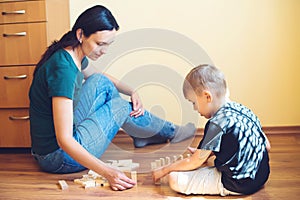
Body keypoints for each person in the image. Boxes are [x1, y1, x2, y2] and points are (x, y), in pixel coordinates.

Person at [29, 5, 196, 191]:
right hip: (57, 157)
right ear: (80, 34)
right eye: (100, 44)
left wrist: (132, 91)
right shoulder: (64, 70)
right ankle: (169, 132)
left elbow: (99, 76)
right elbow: (64, 139)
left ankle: (142, 134)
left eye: (108, 44)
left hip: (58, 145)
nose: (104, 51)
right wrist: (108, 172)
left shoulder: (73, 53)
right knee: (119, 107)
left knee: (101, 81)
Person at [152, 64, 271, 196]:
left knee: (174, 179)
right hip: (262, 176)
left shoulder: (217, 124)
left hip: (238, 184)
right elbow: (266, 145)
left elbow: (195, 161)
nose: (195, 109)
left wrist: (163, 170)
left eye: (193, 102)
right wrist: (207, 152)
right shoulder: (245, 111)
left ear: (207, 97)